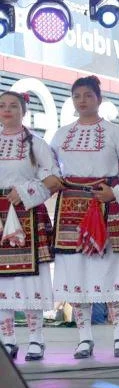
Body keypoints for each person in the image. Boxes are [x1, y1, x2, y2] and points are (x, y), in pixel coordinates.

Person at [50, 76, 119, 359]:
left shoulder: (116, 133)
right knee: (76, 270)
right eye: (77, 96)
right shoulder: (60, 135)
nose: (82, 100)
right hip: (72, 206)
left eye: (88, 95)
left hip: (107, 202)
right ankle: (84, 337)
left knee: (113, 269)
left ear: (99, 99)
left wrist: (117, 193)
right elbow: (48, 171)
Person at [0, 91, 60, 361]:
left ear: (24, 111)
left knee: (31, 278)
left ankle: (36, 338)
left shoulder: (37, 144)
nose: (7, 110)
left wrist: (24, 191)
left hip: (27, 214)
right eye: (2, 106)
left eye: (13, 106)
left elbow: (55, 180)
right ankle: (7, 339)